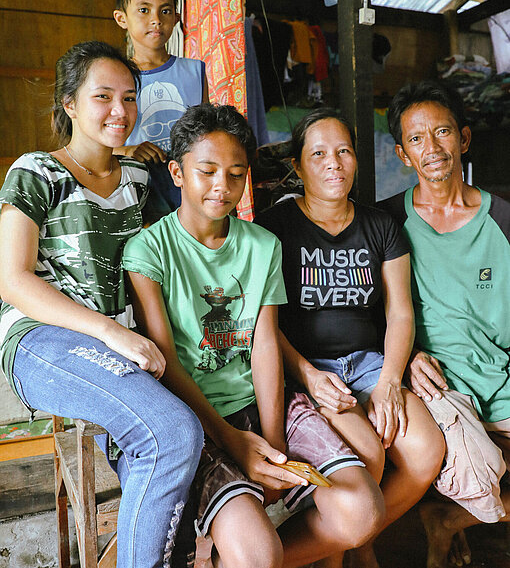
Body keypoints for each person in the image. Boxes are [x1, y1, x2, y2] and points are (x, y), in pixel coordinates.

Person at [122, 103, 385, 568]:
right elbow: (166, 361)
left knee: (362, 512)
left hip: (265, 405)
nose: (222, 185)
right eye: (207, 171)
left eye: (236, 173)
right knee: (258, 553)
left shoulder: (261, 245)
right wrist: (230, 439)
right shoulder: (149, 249)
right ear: (177, 172)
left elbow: (265, 345)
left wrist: (274, 443)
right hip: (196, 422)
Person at [0, 41, 203, 568]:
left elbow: (172, 259)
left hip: (122, 348)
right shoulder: (36, 172)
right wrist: (110, 331)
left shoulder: (139, 182)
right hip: (40, 340)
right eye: (103, 97)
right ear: (69, 104)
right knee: (175, 432)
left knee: (167, 445)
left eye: (130, 98)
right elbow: (11, 279)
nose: (121, 111)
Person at [255, 108, 445, 568]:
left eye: (343, 151)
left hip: (370, 364)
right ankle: (342, 552)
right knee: (368, 455)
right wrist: (307, 374)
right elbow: (265, 324)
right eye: (318, 153)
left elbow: (399, 312)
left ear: (356, 159)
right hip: (308, 369)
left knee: (426, 452)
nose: (333, 163)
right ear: (298, 167)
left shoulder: (380, 226)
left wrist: (389, 384)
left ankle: (355, 543)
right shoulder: (274, 229)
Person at [379, 80, 510, 568]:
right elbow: (372, 314)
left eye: (443, 132)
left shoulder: (503, 221)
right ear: (402, 154)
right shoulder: (386, 223)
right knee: (472, 472)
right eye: (416, 139)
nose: (432, 148)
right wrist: (407, 357)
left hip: (500, 376)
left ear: (465, 138)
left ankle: (449, 521)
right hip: (437, 384)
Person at [113, 0, 209, 222]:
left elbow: (206, 137)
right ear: (122, 18)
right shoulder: (114, 76)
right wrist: (128, 151)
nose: (156, 20)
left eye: (165, 10)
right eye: (144, 10)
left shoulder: (195, 72)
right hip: (135, 191)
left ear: (176, 17)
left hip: (187, 191)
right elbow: (92, 145)